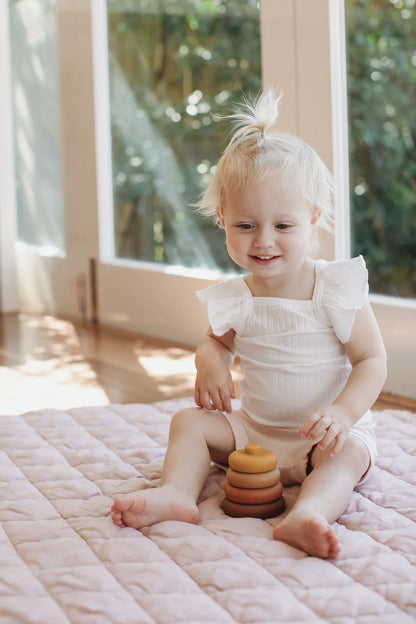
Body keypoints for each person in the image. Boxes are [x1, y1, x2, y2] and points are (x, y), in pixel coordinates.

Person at [111, 90, 387, 558]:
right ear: (222, 220)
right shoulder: (238, 297)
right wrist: (209, 357)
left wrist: (342, 414)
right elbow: (215, 342)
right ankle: (178, 492)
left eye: (283, 226)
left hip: (321, 438)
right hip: (253, 433)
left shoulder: (333, 287)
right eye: (245, 226)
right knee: (188, 421)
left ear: (313, 220)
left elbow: (372, 360)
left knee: (347, 457)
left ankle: (308, 514)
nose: (263, 241)